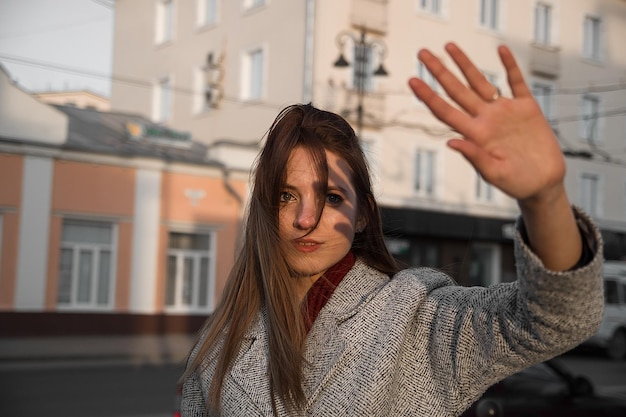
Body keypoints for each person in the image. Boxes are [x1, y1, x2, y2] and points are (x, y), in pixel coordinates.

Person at [180, 43, 604, 416]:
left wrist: (544, 199)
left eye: (330, 198)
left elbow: (556, 319)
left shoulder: (415, 314)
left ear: (362, 213)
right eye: (285, 196)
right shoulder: (223, 337)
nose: (305, 219)